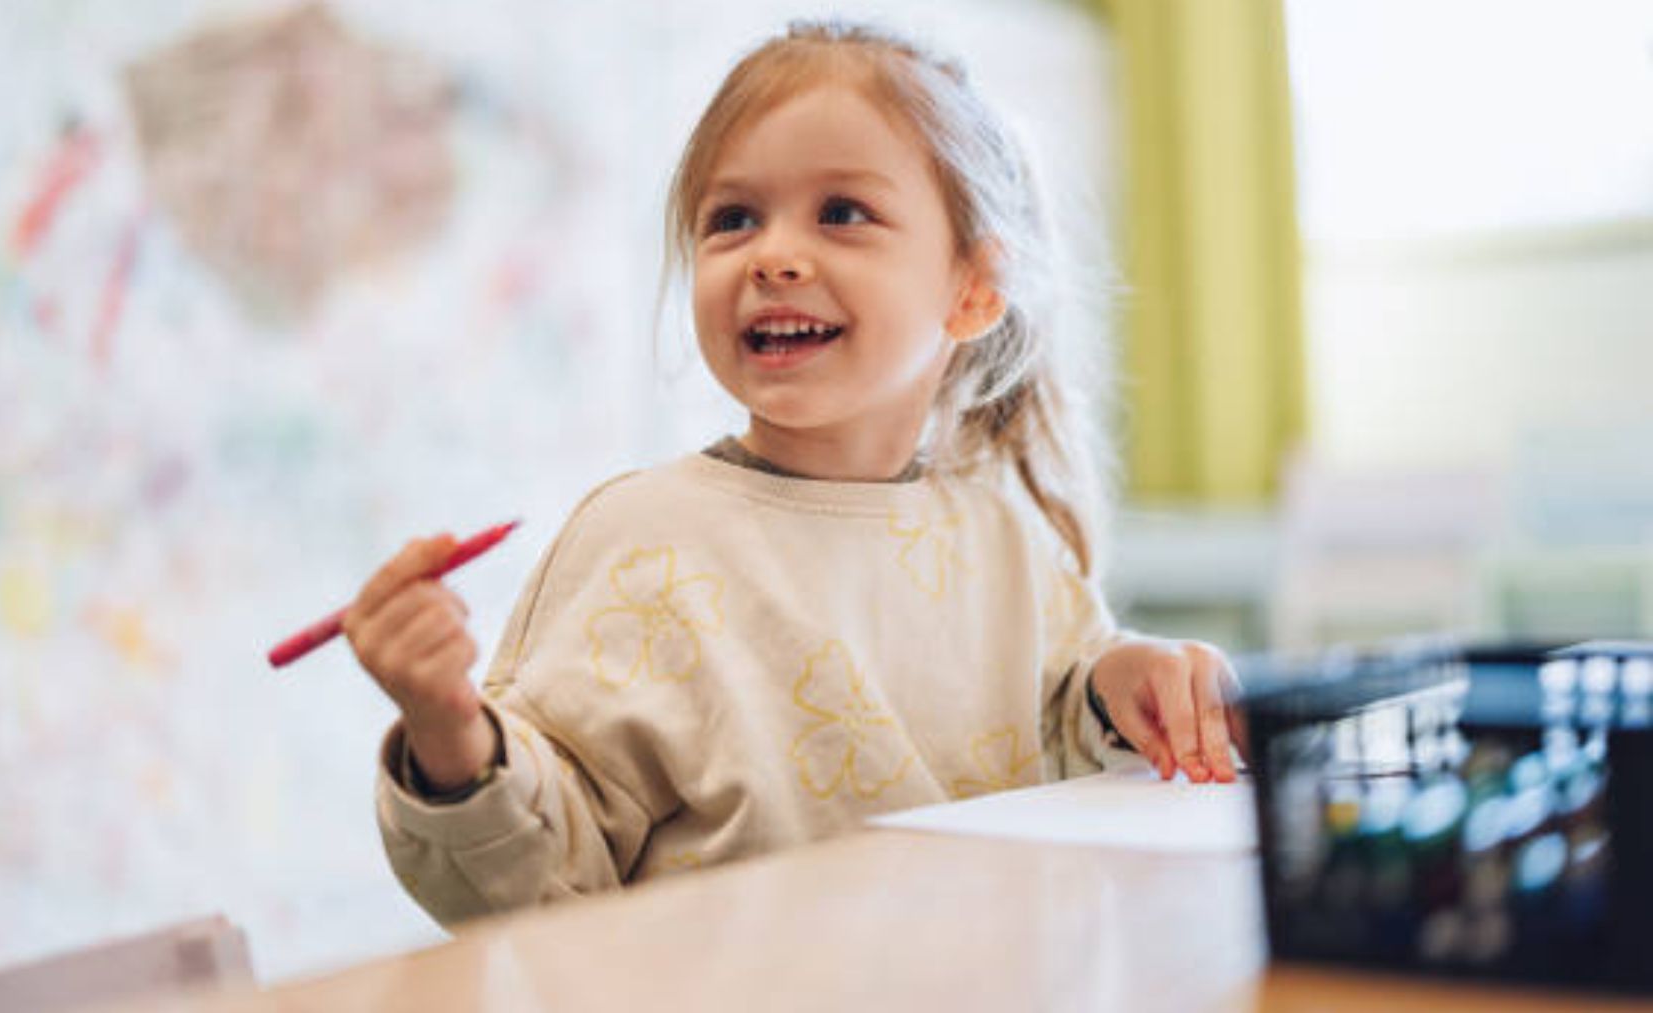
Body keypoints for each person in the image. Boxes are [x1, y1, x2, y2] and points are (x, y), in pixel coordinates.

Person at [347, 20, 1246, 926]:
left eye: (841, 213)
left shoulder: (1006, 538)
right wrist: (452, 735)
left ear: (972, 289)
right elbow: (533, 874)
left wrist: (1124, 680)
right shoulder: (644, 541)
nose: (773, 255)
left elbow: (1069, 723)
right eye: (732, 219)